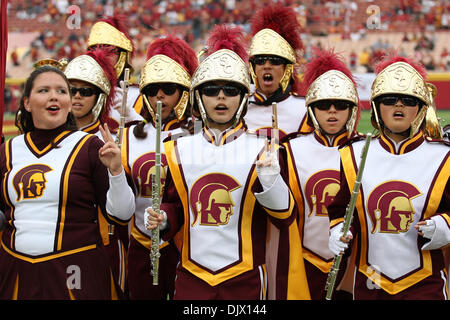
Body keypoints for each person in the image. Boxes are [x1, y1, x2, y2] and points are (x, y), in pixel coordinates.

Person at [145, 25, 309, 300]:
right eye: (211, 90)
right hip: (191, 276)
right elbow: (175, 206)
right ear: (199, 97)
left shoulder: (265, 147)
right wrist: (163, 218)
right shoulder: (177, 148)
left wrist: (270, 181)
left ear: (243, 98)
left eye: (230, 90)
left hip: (245, 279)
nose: (221, 97)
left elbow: (285, 215)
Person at [0, 65, 135, 299]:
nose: (54, 96)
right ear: (27, 103)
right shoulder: (8, 151)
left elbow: (121, 215)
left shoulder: (90, 146)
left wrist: (116, 170)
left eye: (62, 91)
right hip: (16, 269)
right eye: (44, 90)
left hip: (76, 270)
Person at [328, 54, 449, 300]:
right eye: (390, 99)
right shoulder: (353, 154)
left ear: (421, 107)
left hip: (425, 284)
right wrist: (338, 230)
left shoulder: (444, 157)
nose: (399, 106)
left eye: (408, 100)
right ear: (376, 106)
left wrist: (445, 226)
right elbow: (342, 210)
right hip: (369, 283)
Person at [122, 34, 198, 300]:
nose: (160, 95)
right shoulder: (128, 136)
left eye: (168, 88)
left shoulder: (198, 134)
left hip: (185, 242)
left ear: (183, 92)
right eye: (153, 89)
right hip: (140, 244)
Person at [283, 48, 361, 300]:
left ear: (351, 110)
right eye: (323, 105)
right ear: (312, 110)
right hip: (301, 259)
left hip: (354, 261)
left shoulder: (366, 150)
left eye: (340, 105)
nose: (332, 112)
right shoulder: (290, 148)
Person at [64, 48, 129, 296]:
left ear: (100, 97)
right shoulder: (49, 139)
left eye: (86, 91)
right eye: (71, 90)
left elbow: (123, 209)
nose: (77, 97)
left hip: (104, 242)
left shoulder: (112, 141)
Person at [244, 5, 312, 138]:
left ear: (287, 68)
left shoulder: (304, 110)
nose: (267, 66)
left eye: (275, 60)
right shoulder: (238, 108)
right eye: (260, 60)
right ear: (253, 68)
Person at [87, 14, 143, 130]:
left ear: (122, 56)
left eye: (108, 49)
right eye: (93, 49)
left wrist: (131, 116)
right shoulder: (76, 92)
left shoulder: (139, 96)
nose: (99, 54)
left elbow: (154, 141)